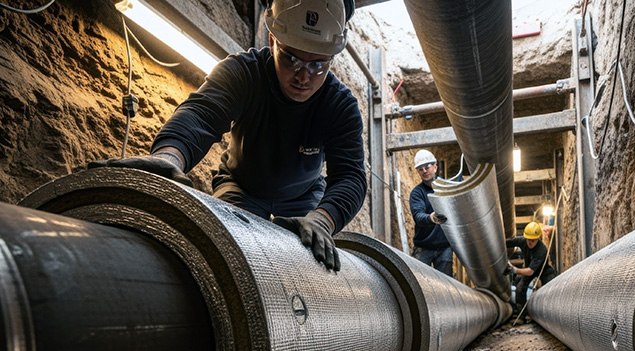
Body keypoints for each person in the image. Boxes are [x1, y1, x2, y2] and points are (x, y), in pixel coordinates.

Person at [90, 0, 365, 272]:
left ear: (332, 58)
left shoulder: (340, 105)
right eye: (291, 59)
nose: (303, 77)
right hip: (242, 186)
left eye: (317, 65)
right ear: (272, 41)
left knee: (303, 265)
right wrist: (169, 156)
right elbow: (202, 114)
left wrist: (323, 220)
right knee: (229, 251)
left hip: (303, 198)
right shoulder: (243, 72)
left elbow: (350, 176)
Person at [409, 149, 453, 276]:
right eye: (420, 169)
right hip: (424, 247)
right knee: (419, 283)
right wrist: (431, 218)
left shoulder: (447, 188)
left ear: (435, 166)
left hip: (445, 247)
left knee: (446, 286)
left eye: (427, 167)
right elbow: (418, 216)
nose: (424, 171)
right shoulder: (417, 193)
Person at [506, 221, 557, 312]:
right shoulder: (522, 241)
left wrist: (514, 270)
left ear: (538, 239)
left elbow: (530, 271)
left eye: (533, 240)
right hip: (529, 267)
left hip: (543, 270)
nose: (530, 242)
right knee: (520, 288)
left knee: (551, 289)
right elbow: (507, 243)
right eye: (528, 239)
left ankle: (551, 311)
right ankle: (522, 314)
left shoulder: (541, 251)